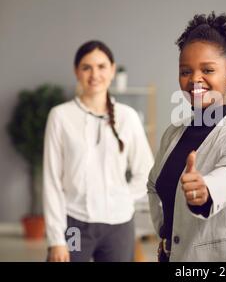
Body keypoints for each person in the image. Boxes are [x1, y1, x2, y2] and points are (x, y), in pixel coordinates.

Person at [147, 12, 226, 262]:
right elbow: (153, 186)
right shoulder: (173, 134)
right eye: (185, 71)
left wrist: (207, 190)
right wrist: (164, 233)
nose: (194, 80)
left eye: (208, 70)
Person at [43, 40, 154, 262]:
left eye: (102, 66)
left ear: (112, 70)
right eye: (87, 67)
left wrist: (122, 197)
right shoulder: (60, 116)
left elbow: (146, 171)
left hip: (119, 227)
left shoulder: (127, 116)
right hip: (74, 224)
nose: (94, 74)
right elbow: (52, 180)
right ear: (77, 72)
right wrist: (56, 239)